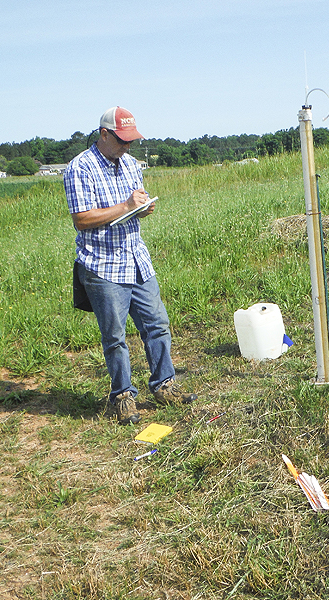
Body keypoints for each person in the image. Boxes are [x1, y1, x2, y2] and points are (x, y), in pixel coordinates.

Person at [63, 106, 197, 425]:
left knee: (157, 323)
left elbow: (134, 202)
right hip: (103, 265)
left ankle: (164, 385)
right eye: (122, 140)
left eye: (131, 140)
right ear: (104, 134)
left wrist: (142, 208)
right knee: (115, 336)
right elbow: (81, 219)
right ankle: (122, 396)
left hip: (136, 258)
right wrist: (125, 206)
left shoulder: (131, 165)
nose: (127, 146)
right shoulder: (79, 168)